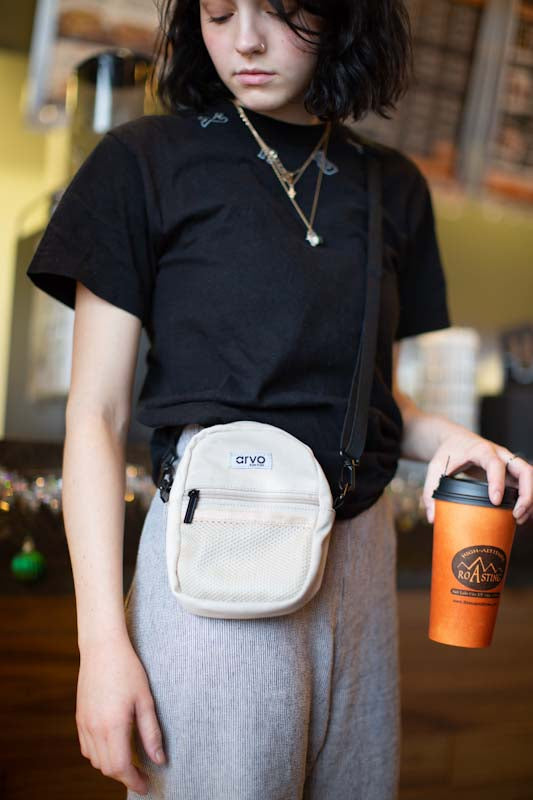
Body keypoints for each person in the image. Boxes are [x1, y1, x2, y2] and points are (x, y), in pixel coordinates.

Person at [26, 0, 533, 798]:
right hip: (212, 568)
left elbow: (373, 400)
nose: (245, 40)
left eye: (283, 11)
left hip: (360, 572)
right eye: (220, 13)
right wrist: (102, 643)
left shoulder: (391, 186)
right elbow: (95, 416)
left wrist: (455, 442)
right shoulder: (141, 163)